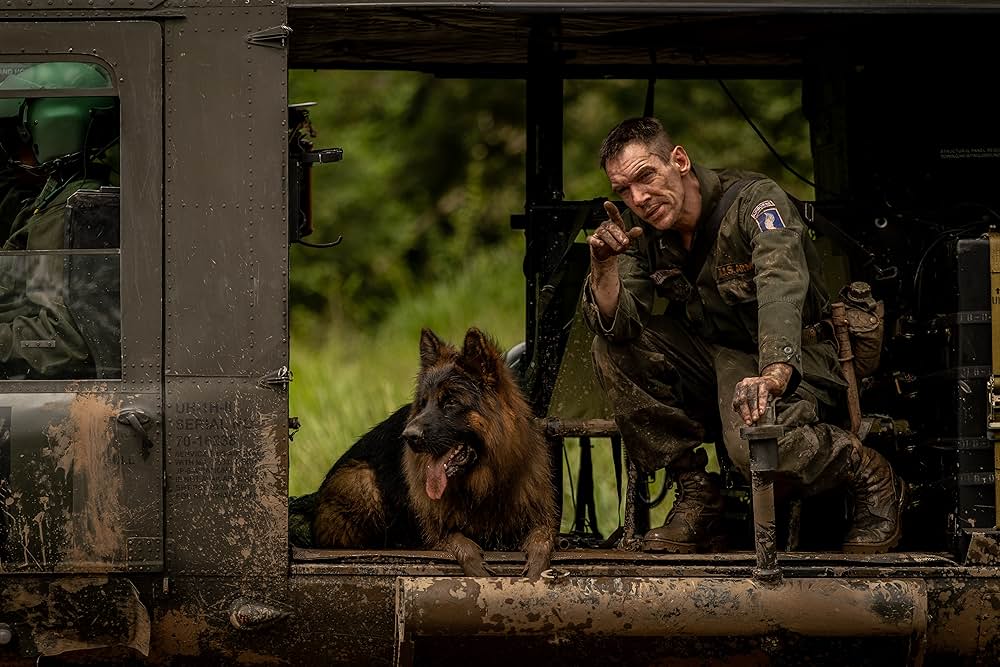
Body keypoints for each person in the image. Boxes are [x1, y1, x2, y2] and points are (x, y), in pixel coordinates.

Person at [582, 116, 905, 554]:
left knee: (755, 445)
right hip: (718, 355)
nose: (638, 198)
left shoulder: (755, 203)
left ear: (678, 160)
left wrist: (772, 377)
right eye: (624, 190)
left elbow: (781, 287)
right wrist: (603, 267)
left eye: (646, 176)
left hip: (796, 353)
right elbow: (620, 325)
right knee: (613, 348)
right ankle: (698, 492)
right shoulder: (643, 234)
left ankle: (866, 469)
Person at [0, 61, 120, 379]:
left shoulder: (76, 210)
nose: (23, 136)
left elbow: (64, 337)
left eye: (26, 125)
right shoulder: (58, 195)